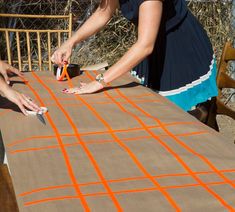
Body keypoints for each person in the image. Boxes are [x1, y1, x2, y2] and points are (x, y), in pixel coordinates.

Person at [51, 0, 218, 112]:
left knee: (174, 116)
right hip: (154, 49)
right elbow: (103, 13)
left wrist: (99, 82)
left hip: (180, 51)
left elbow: (145, 45)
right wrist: (70, 42)